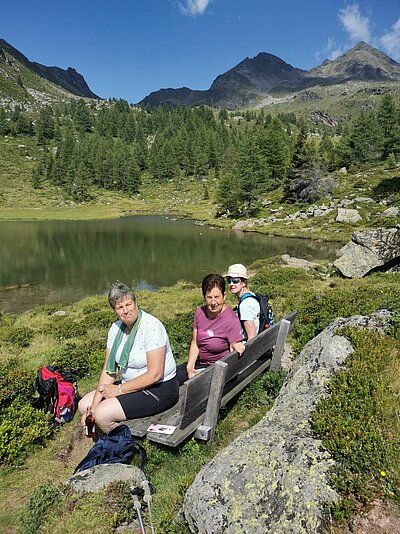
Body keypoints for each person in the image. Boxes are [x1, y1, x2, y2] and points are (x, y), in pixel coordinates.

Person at [78, 282, 179, 435]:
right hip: (129, 385)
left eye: (128, 304)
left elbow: (155, 374)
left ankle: (124, 445)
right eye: (120, 307)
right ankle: (108, 438)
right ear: (114, 311)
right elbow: (109, 369)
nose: (126, 311)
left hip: (159, 388)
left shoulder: (151, 327)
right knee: (84, 405)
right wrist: (92, 406)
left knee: (102, 414)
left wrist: (119, 390)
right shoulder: (116, 329)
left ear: (136, 303)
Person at [177, 273, 245, 384]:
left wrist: (236, 344)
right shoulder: (199, 312)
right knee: (170, 378)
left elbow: (234, 345)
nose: (213, 302)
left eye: (217, 297)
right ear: (204, 296)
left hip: (217, 370)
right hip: (200, 363)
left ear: (224, 295)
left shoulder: (231, 320)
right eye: (209, 297)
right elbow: (195, 342)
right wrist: (190, 366)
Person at [224, 263, 260, 341]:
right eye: (229, 280)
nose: (231, 284)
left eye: (235, 280)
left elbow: (252, 336)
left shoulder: (245, 305)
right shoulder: (251, 295)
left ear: (243, 283)